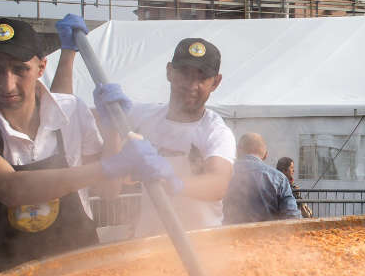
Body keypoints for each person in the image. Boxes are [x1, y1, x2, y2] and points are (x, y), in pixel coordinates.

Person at [0, 16, 173, 276]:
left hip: (78, 274)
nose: (7, 84)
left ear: (41, 67)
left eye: (20, 70)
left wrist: (112, 133)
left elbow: (109, 191)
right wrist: (110, 166)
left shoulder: (72, 111)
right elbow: (10, 188)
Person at [55, 36, 236, 237]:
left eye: (202, 78)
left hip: (202, 243)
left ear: (215, 82)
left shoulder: (215, 131)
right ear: (169, 72)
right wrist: (111, 126)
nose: (191, 85)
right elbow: (63, 113)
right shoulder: (144, 116)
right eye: (184, 73)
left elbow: (218, 183)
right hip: (149, 243)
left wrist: (174, 182)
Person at [222, 133, 300, 224]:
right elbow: (292, 216)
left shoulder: (222, 175)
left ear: (237, 151)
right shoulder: (279, 178)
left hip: (227, 236)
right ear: (266, 155)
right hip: (269, 237)